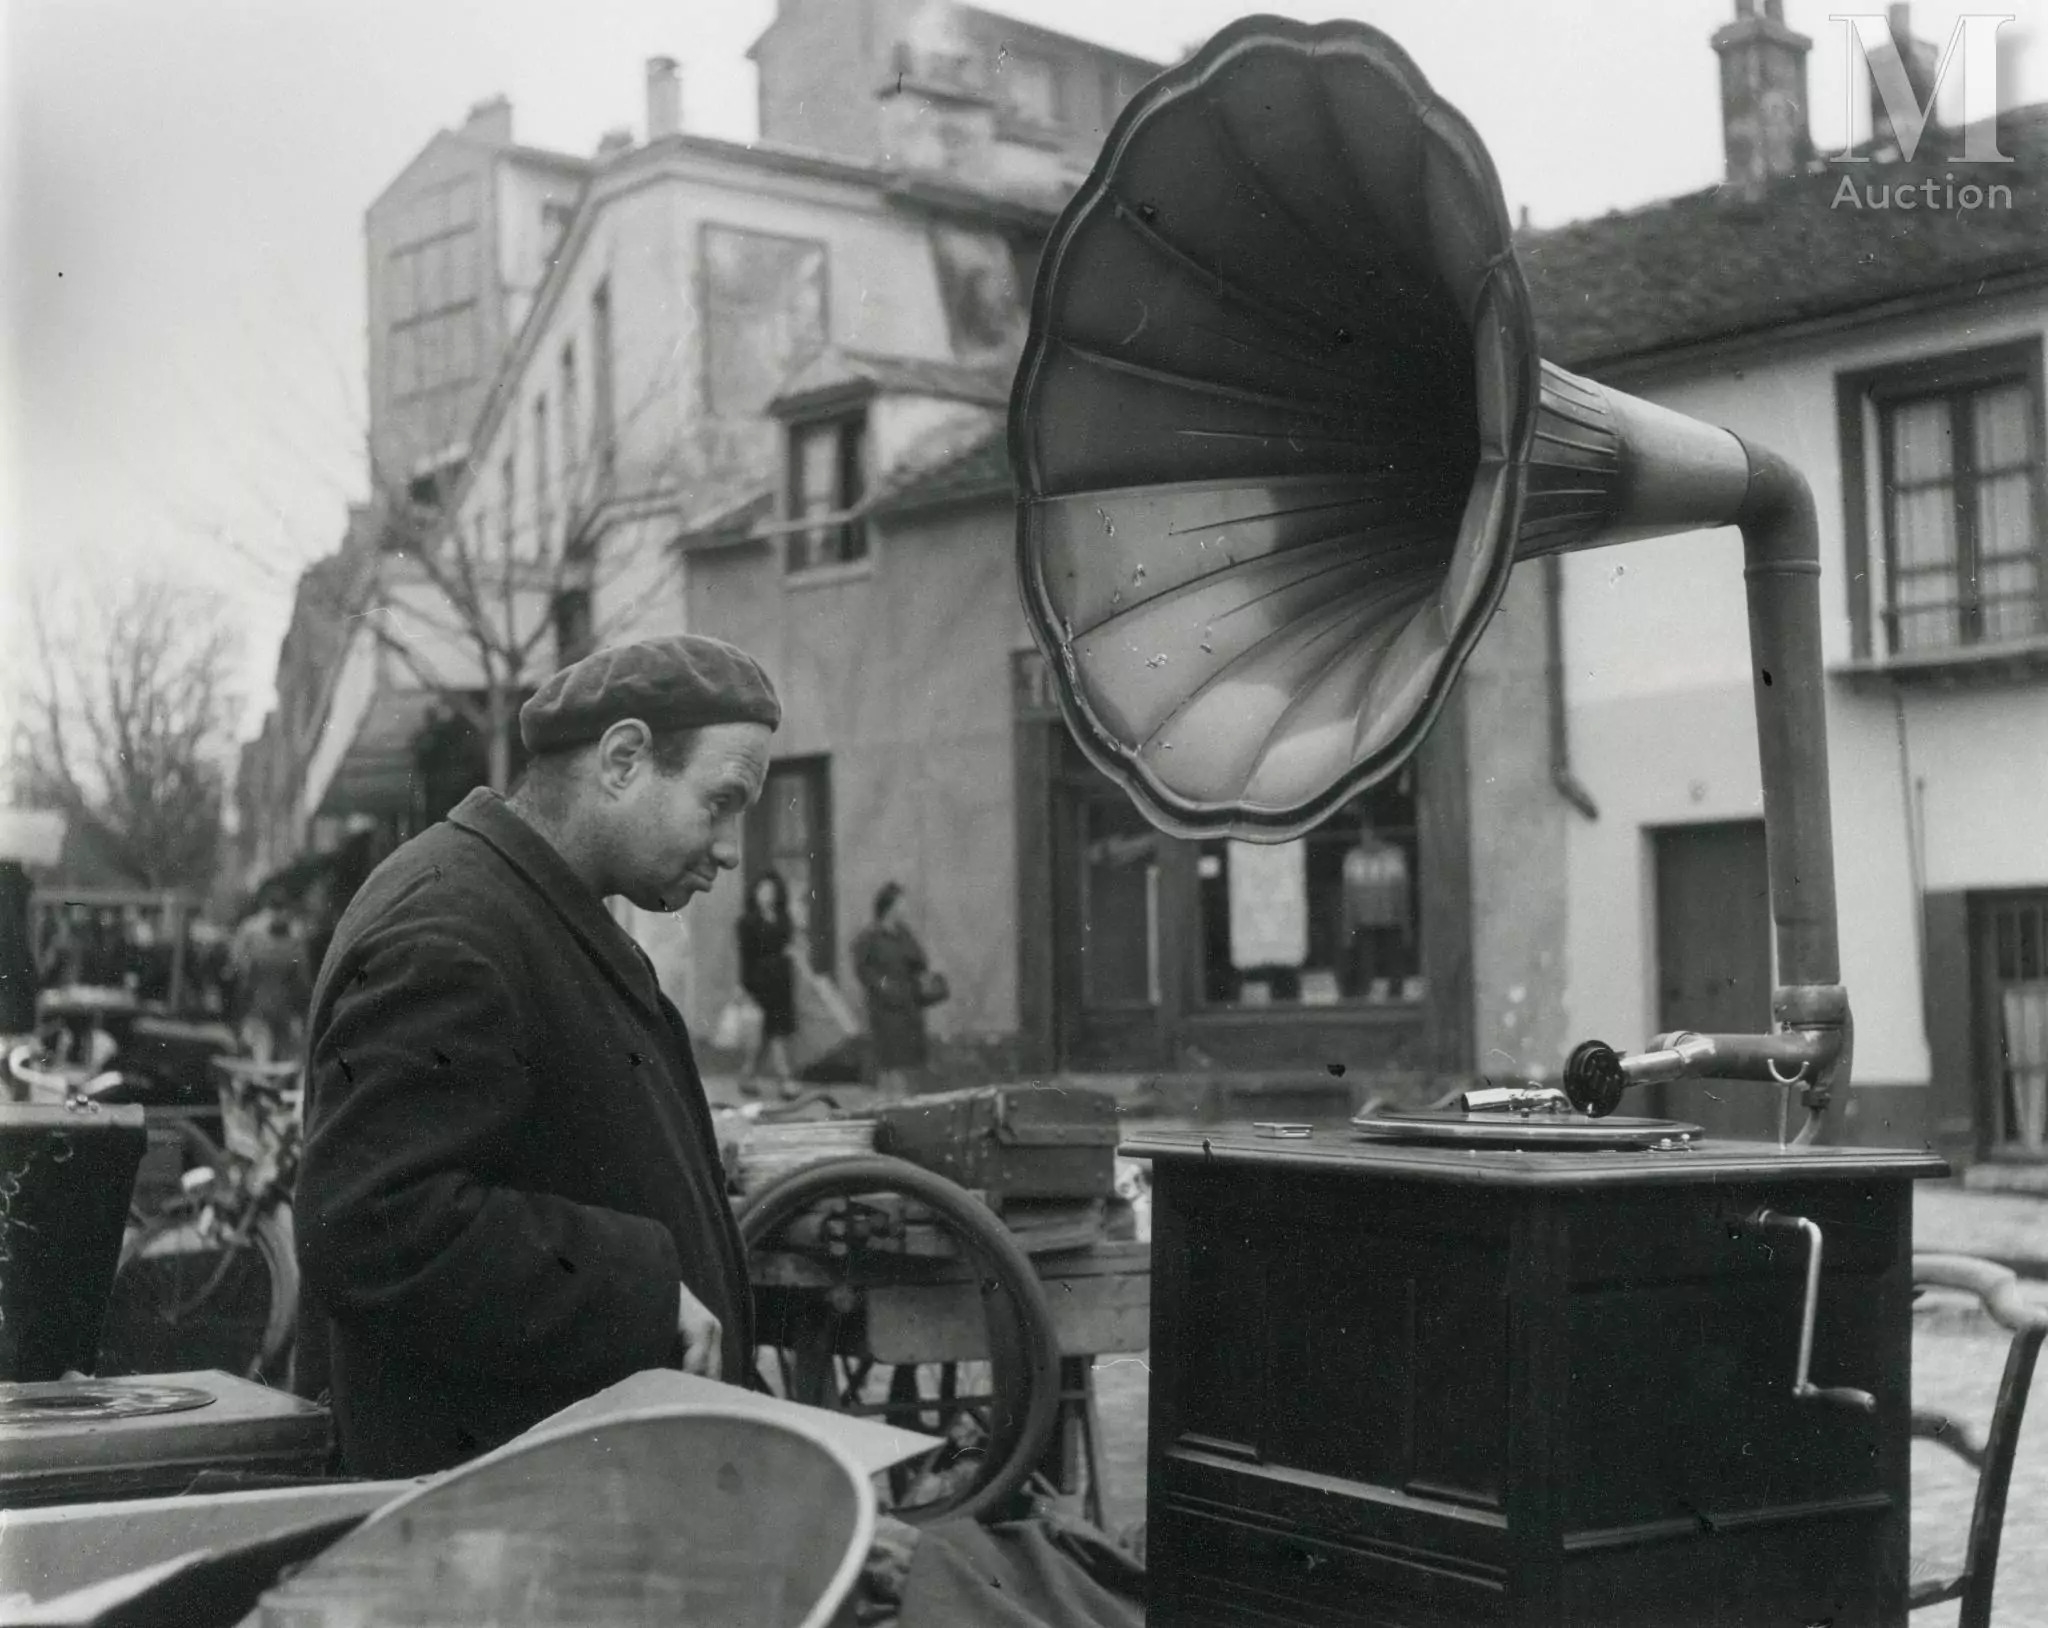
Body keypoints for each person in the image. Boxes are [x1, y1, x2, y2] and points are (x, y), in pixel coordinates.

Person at [294, 634, 780, 1478]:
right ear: (623, 759)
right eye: (721, 802)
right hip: (493, 1506)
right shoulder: (452, 930)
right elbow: (376, 1227)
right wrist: (642, 1290)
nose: (732, 847)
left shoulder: (509, 903)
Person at [852, 881, 937, 1099]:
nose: (905, 907)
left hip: (907, 1002)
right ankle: (887, 1098)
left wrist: (922, 977)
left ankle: (901, 1098)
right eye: (901, 903)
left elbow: (919, 960)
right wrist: (881, 984)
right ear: (889, 906)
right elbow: (862, 968)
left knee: (907, 1057)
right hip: (884, 1005)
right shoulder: (870, 936)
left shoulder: (904, 934)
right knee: (888, 1057)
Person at [736, 869, 798, 1097]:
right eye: (762, 890)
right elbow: (745, 957)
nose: (766, 895)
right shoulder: (747, 922)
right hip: (760, 981)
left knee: (766, 1033)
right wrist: (743, 986)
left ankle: (747, 1075)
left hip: (782, 981)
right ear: (755, 893)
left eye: (770, 891)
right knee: (774, 1031)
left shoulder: (783, 918)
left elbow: (788, 946)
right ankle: (785, 1080)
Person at [231, 904, 309, 1061]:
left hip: (268, 1008)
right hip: (274, 1009)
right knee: (275, 1056)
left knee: (265, 1055)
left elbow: (245, 980)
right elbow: (302, 981)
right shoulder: (293, 947)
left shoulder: (260, 946)